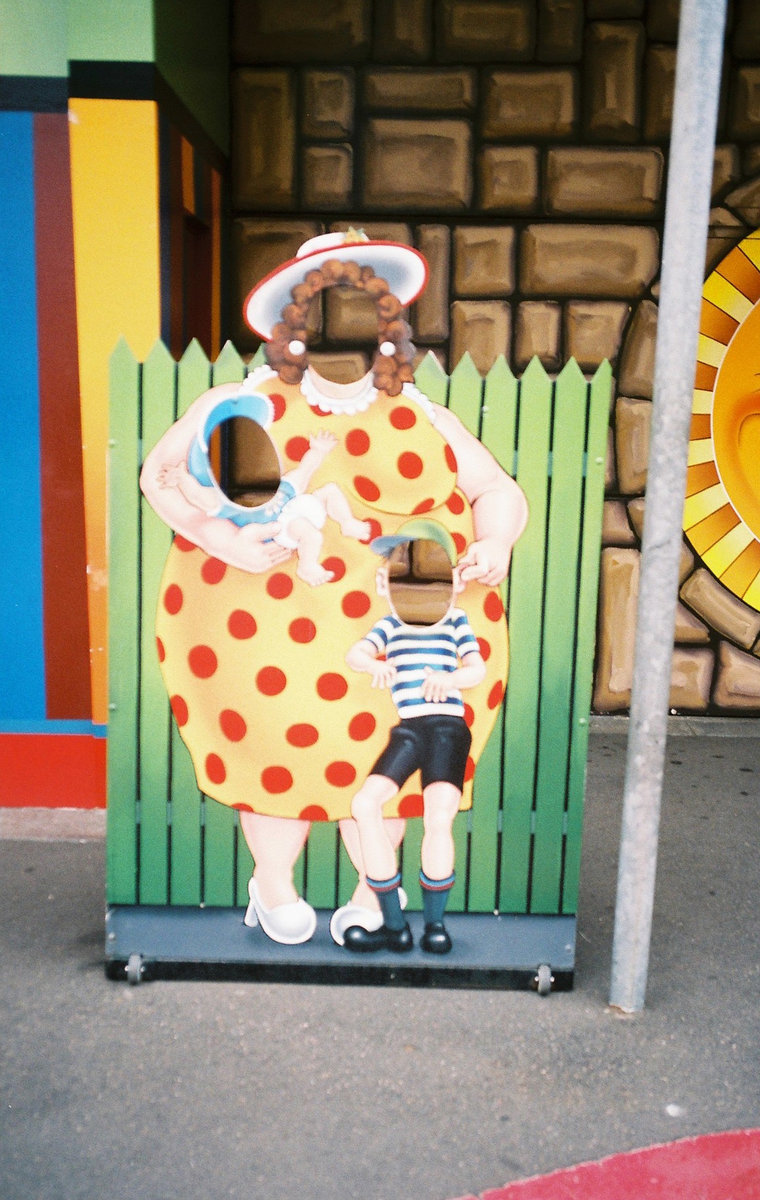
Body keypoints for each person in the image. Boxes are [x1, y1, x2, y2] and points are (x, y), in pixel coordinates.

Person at [140, 229, 528, 947]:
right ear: (295, 322)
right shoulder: (242, 402)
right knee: (273, 750)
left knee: (379, 756)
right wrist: (221, 539)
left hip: (390, 634)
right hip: (261, 626)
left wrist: (495, 540)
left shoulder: (423, 415)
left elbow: (495, 490)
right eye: (325, 309)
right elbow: (160, 474)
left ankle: (370, 894)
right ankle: (273, 885)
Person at [342, 520, 485, 954]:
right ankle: (395, 925)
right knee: (365, 805)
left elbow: (476, 668)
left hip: (446, 728)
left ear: (453, 581)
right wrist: (372, 663)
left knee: (438, 818)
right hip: (409, 729)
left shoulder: (455, 621)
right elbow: (355, 653)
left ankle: (435, 926)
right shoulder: (391, 625)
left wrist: (451, 678)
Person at [153, 428, 370, 587]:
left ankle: (347, 522)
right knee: (311, 535)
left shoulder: (281, 486)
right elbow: (201, 497)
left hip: (303, 509)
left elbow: (306, 469)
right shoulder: (234, 503)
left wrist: (318, 450)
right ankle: (307, 565)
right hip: (283, 527)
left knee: (330, 491)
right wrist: (182, 479)